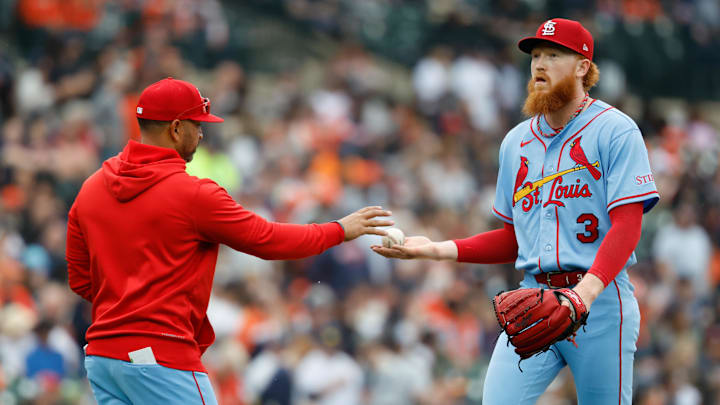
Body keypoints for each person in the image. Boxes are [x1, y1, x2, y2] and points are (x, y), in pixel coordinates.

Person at [373, 18, 659, 404]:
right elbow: (513, 238)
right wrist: (435, 249)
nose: (539, 64)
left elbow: (627, 225)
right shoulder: (516, 142)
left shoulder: (615, 130)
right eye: (535, 55)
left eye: (553, 55)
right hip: (535, 297)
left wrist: (584, 295)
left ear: (582, 67)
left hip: (602, 303)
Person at [66, 77, 393, 405]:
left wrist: (127, 301)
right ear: (176, 128)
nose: (202, 133)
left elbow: (81, 281)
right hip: (160, 356)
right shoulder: (193, 195)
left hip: (104, 358)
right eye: (197, 124)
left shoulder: (92, 188)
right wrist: (339, 229)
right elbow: (267, 240)